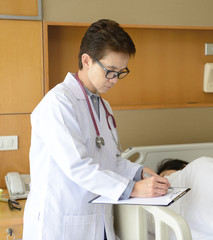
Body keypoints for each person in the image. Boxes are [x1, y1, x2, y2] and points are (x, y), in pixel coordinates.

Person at [23, 19, 170, 240]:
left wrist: (138, 172)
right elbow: (78, 166)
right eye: (110, 71)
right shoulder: (58, 103)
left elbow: (109, 159)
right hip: (62, 223)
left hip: (96, 220)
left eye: (121, 72)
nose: (115, 80)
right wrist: (133, 189)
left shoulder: (102, 105)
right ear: (87, 60)